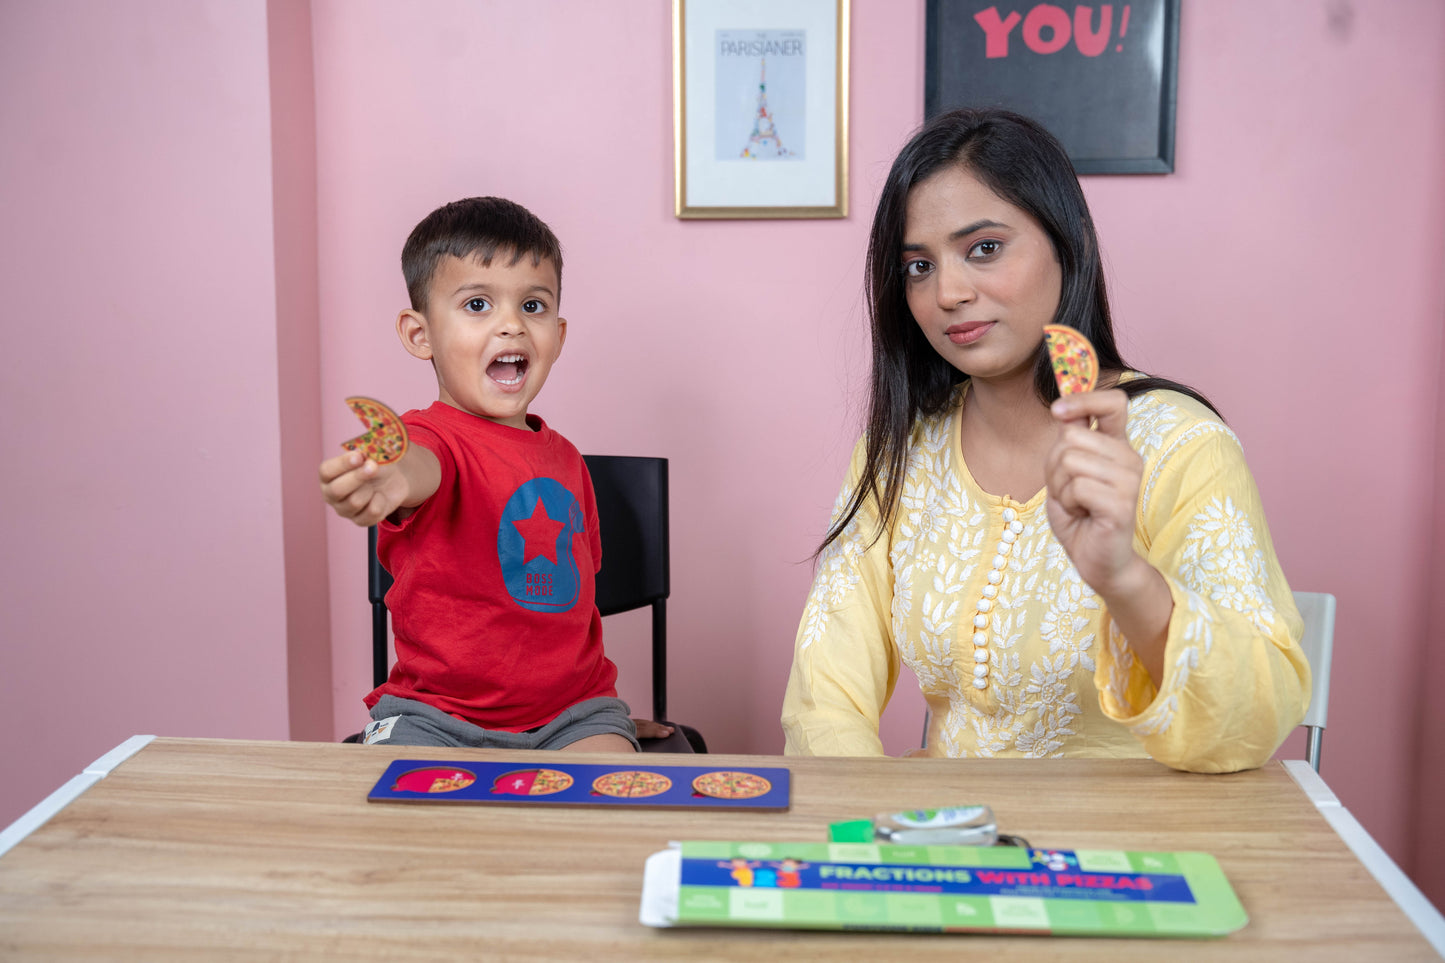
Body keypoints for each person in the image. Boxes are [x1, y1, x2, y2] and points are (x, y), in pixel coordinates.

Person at [781, 109, 1309, 772]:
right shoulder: (900, 453)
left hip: (1129, 861)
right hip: (953, 854)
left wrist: (1123, 578)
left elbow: (1251, 724)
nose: (946, 292)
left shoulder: (1179, 445)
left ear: (1071, 244)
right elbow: (823, 700)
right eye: (918, 265)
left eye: (984, 248)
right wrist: (878, 818)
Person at [319, 196, 671, 751]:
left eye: (533, 306)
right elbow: (417, 465)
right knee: (399, 820)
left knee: (614, 806)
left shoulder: (568, 460)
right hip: (434, 719)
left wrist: (606, 720)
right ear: (420, 335)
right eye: (478, 303)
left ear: (558, 333)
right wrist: (389, 475)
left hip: (572, 716)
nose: (511, 325)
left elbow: (572, 606)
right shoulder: (430, 440)